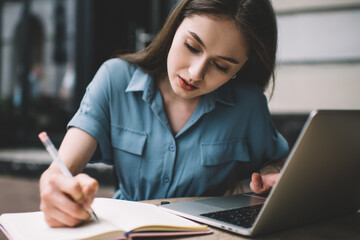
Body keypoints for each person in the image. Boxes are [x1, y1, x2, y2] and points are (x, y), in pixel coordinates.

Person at [39, 0, 289, 227]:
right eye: (191, 46)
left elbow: (278, 161)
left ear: (240, 68)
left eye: (221, 66)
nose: (195, 73)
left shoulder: (247, 104)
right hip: (125, 230)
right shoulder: (114, 80)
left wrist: (271, 175)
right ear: (174, 28)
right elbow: (61, 169)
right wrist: (54, 188)